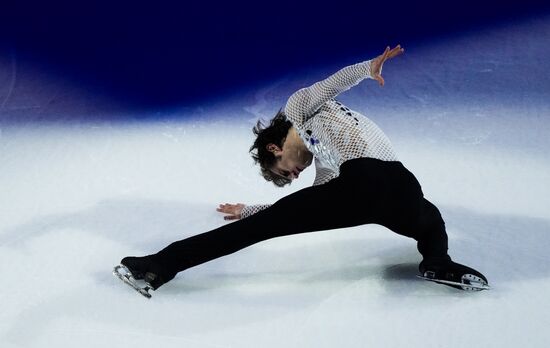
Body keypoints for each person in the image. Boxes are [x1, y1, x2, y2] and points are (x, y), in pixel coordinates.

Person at [115, 45, 489, 296]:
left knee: (259, 230)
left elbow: (330, 85)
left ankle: (157, 266)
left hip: (375, 182)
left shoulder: (297, 111)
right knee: (430, 219)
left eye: (285, 171)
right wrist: (250, 210)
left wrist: (367, 68)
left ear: (275, 147)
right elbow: (292, 210)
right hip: (399, 186)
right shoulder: (328, 168)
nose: (293, 175)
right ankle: (437, 260)